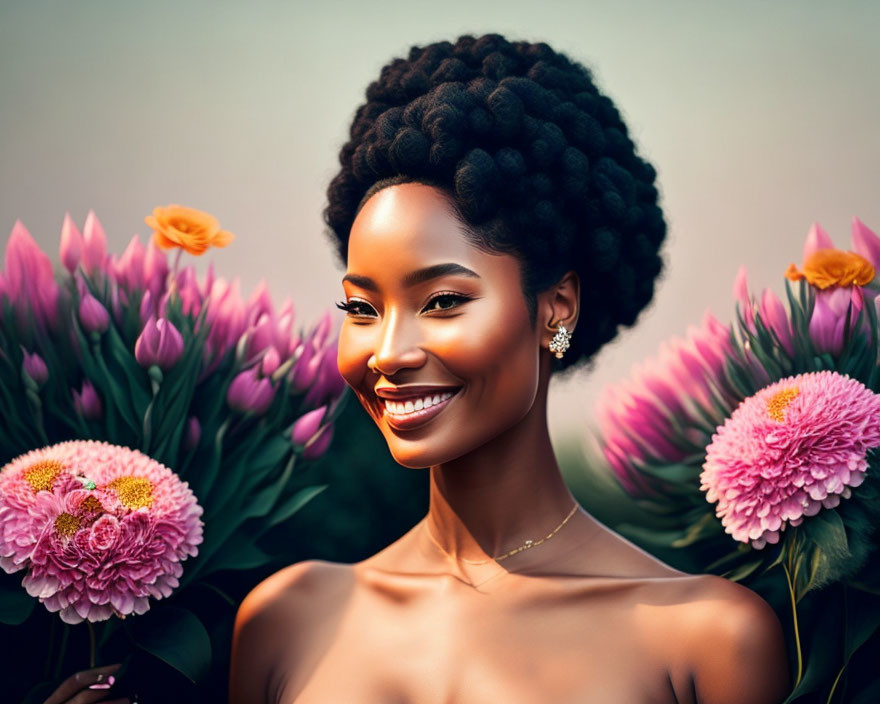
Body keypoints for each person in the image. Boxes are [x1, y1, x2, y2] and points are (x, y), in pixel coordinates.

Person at [230, 33, 790, 703]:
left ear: (556, 307)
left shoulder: (707, 641)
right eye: (361, 307)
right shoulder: (284, 621)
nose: (387, 351)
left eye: (442, 301)